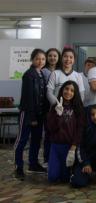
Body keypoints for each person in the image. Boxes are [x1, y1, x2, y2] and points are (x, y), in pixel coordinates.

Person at [14, 49, 48, 179]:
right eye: (38, 59)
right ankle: (18, 166)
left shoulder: (42, 75)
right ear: (32, 60)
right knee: (22, 140)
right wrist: (32, 117)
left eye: (43, 59)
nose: (40, 61)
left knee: (36, 140)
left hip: (39, 115)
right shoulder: (28, 75)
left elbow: (42, 97)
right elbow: (28, 98)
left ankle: (33, 164)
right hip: (28, 114)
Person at [47, 81, 86, 183]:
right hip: (55, 146)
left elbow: (80, 129)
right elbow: (51, 128)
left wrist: (73, 148)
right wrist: (58, 115)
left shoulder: (78, 108)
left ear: (75, 93)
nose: (68, 92)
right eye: (66, 89)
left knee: (64, 178)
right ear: (62, 90)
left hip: (69, 146)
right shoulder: (55, 106)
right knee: (52, 177)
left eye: (72, 90)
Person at [70, 105, 96, 187]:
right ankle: (79, 173)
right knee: (78, 183)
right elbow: (80, 148)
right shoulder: (85, 128)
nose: (95, 117)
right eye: (92, 114)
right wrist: (86, 163)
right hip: (85, 159)